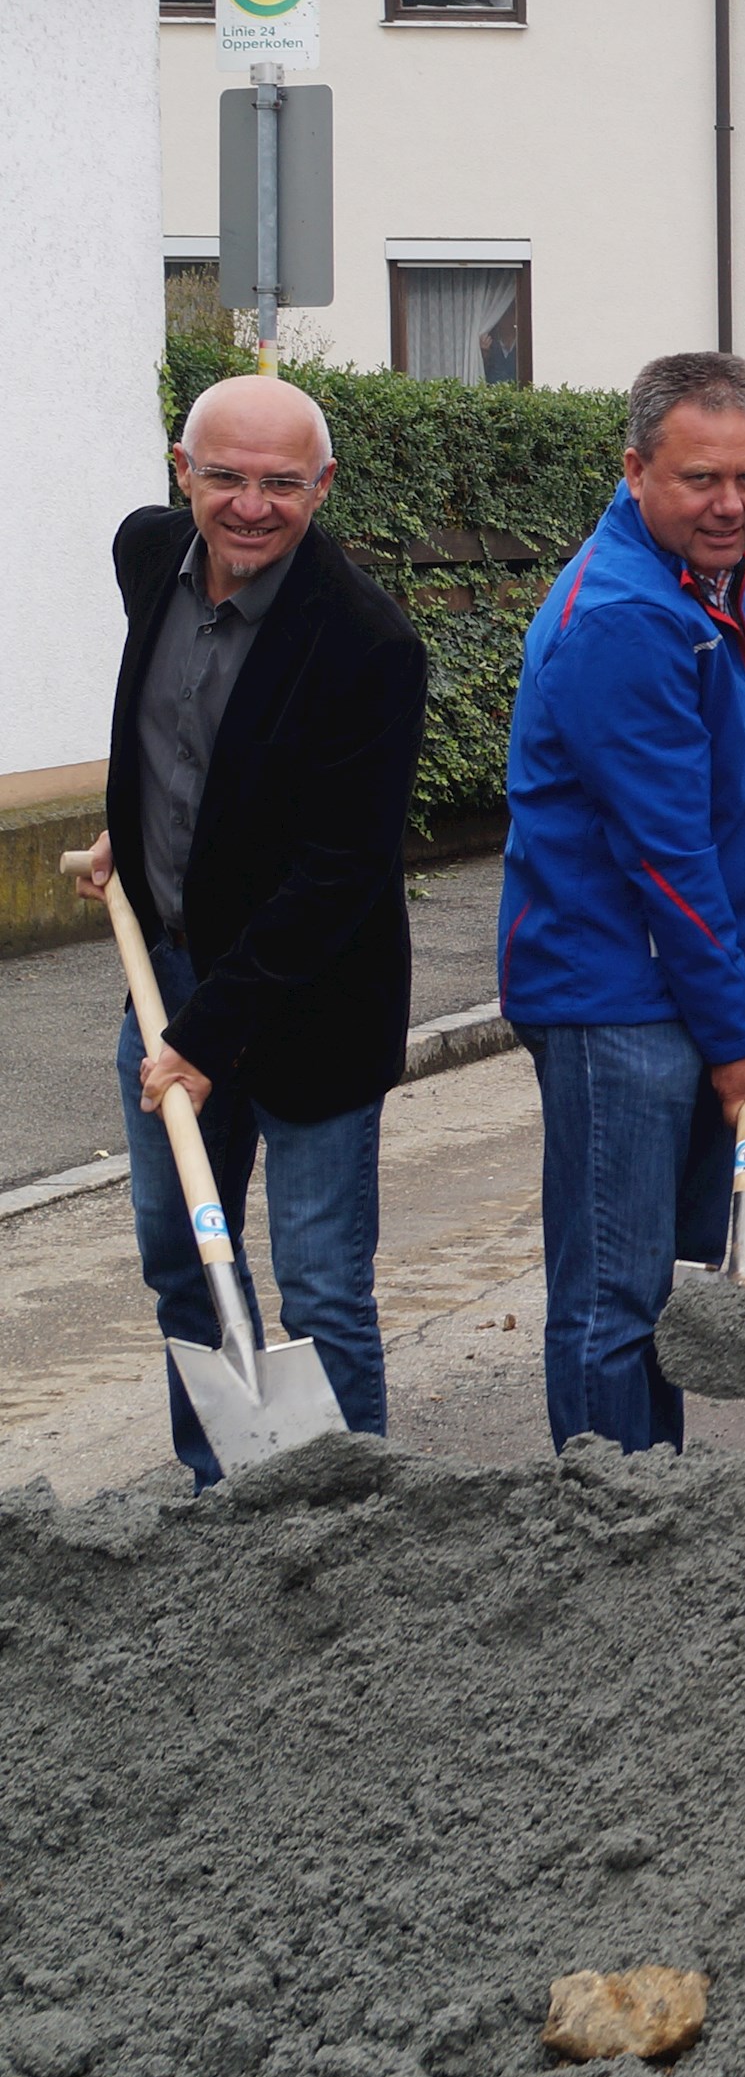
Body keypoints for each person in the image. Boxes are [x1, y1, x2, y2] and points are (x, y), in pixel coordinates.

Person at [76, 373, 427, 1485]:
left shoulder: (368, 645)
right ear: (184, 474)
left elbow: (340, 868)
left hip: (309, 1005)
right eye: (224, 475)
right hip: (165, 981)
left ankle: (349, 1520)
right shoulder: (149, 559)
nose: (250, 504)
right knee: (183, 1262)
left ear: (322, 487)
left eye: (282, 482)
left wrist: (204, 1034)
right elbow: (181, 741)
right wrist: (123, 839)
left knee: (320, 1287)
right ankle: (215, 1497)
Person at [499, 351, 745, 1455]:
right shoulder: (629, 616)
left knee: (664, 1289)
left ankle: (658, 1507)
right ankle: (606, 1534)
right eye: (699, 480)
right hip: (615, 999)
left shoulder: (711, 576)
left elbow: (704, 772)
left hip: (664, 981)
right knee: (614, 1299)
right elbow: (663, 854)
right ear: (635, 470)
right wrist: (737, 1041)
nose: (730, 504)